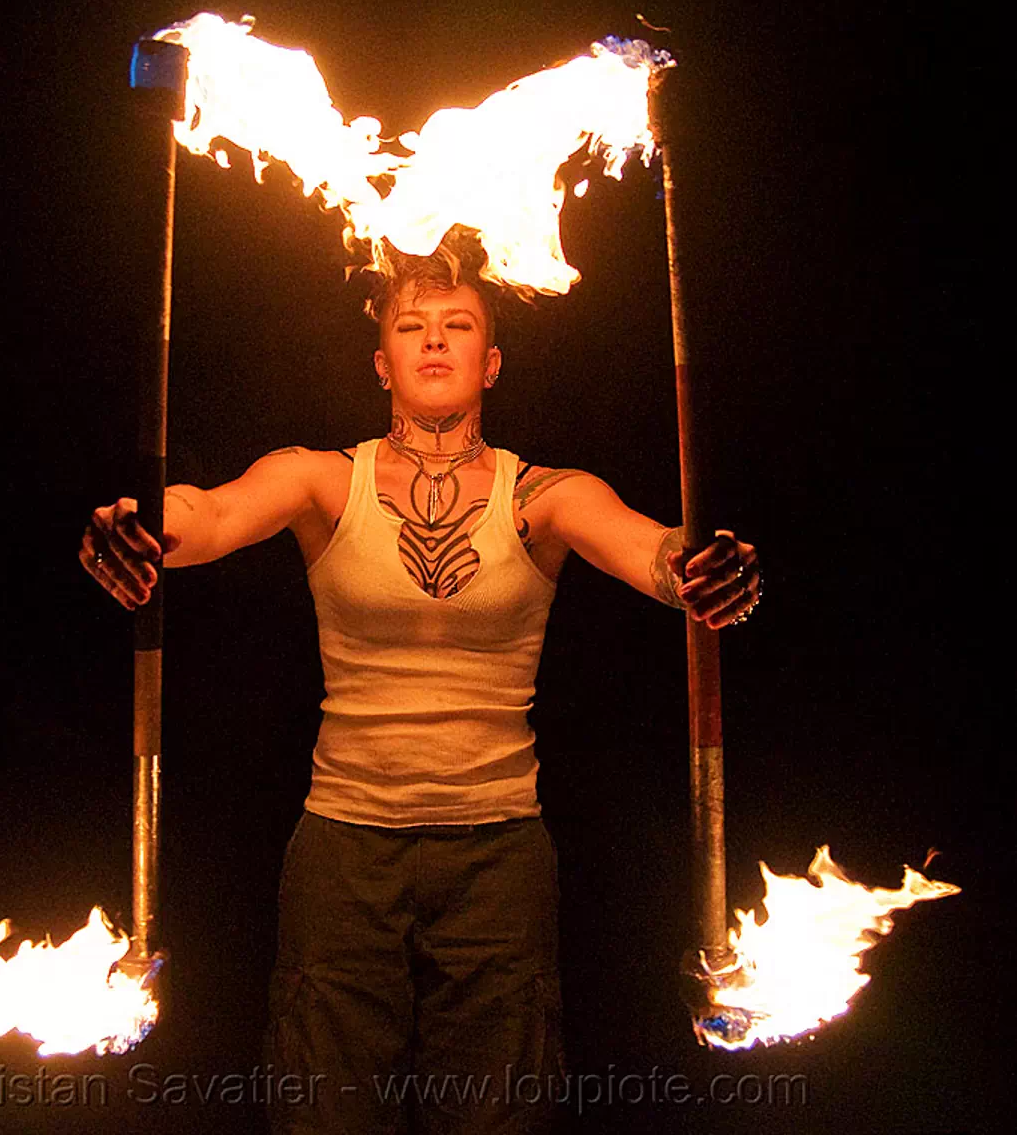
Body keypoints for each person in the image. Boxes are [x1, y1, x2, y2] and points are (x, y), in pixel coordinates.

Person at [80, 244, 761, 1134]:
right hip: (344, 850)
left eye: (457, 326)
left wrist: (700, 566)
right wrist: (138, 524)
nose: (433, 341)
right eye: (411, 327)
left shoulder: (544, 495)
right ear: (382, 363)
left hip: (499, 854)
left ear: (491, 362)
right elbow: (208, 512)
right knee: (324, 1113)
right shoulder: (323, 479)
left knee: (496, 1116)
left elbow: (649, 549)